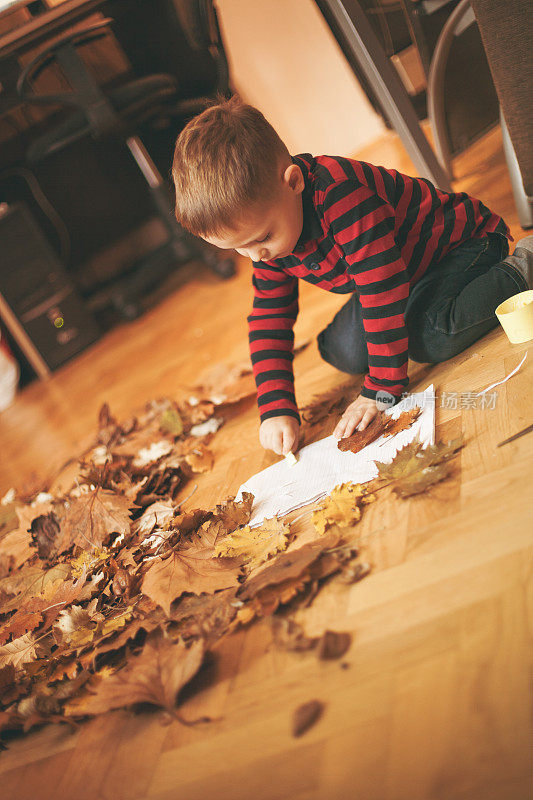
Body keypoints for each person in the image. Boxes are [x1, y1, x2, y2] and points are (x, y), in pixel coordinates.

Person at [172, 96, 533, 456]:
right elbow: (269, 318)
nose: (256, 256)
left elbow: (381, 289)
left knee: (432, 338)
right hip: (398, 273)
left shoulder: (343, 195)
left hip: (463, 245)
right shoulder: (264, 236)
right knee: (340, 349)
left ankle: (520, 266)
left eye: (262, 238)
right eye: (239, 248)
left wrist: (380, 390)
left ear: (293, 182)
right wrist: (276, 408)